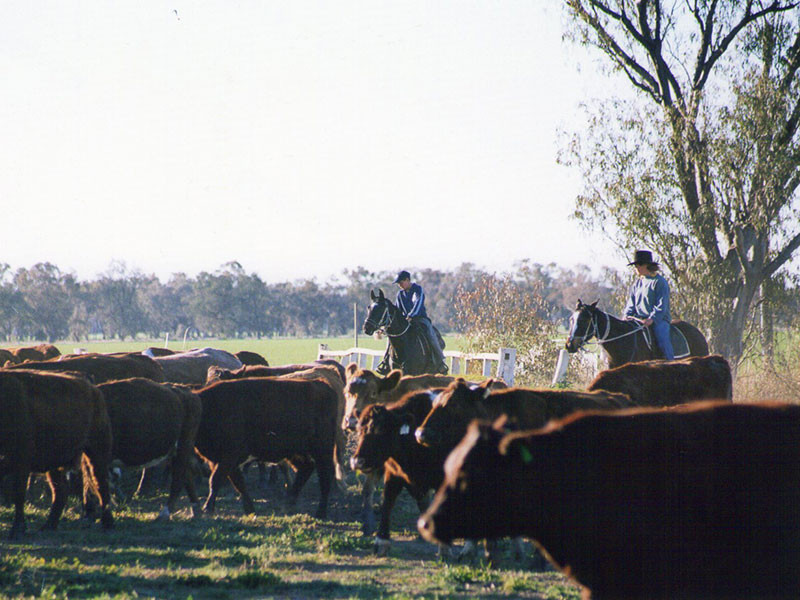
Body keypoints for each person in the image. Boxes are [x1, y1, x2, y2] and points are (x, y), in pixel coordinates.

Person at [623, 250, 675, 360]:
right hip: (639, 320)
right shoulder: (637, 283)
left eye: (638, 265)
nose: (636, 268)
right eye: (635, 265)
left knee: (662, 339)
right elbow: (631, 303)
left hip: (658, 321)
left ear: (646, 265)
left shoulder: (659, 282)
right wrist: (626, 316)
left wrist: (651, 319)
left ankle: (670, 363)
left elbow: (661, 305)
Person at [393, 270, 448, 373]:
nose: (399, 285)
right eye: (398, 284)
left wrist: (411, 315)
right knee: (393, 337)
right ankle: (387, 361)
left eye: (401, 282)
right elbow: (397, 309)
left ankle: (440, 361)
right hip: (405, 321)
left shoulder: (417, 289)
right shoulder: (400, 294)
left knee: (430, 334)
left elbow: (418, 304)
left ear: (407, 280)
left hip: (420, 319)